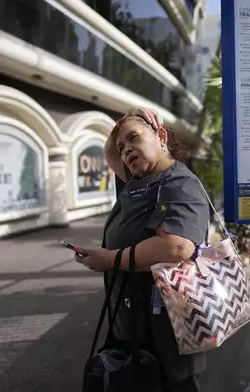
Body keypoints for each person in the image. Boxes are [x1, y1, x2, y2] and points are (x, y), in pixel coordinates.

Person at [74, 107, 209, 392]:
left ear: (160, 136)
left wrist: (109, 259)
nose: (126, 151)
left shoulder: (179, 183)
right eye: (123, 147)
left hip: (169, 336)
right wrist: (131, 115)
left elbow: (176, 247)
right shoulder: (134, 181)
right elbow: (110, 150)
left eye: (134, 139)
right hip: (132, 326)